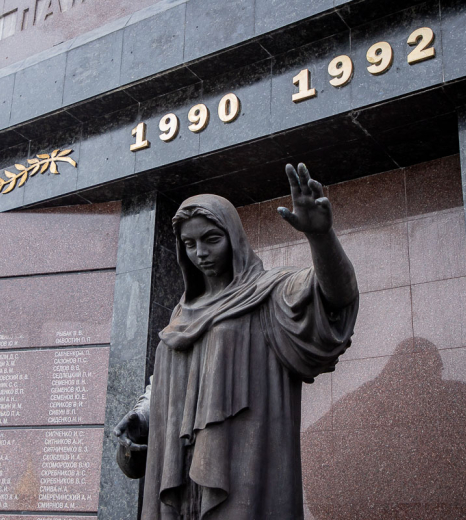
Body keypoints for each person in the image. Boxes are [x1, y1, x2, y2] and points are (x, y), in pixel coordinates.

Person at [113, 164, 360, 520]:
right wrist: (142, 414)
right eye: (189, 244)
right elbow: (169, 382)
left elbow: (335, 296)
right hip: (178, 468)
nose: (200, 252)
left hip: (245, 463)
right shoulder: (181, 312)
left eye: (211, 239)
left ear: (234, 238)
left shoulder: (269, 292)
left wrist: (321, 237)